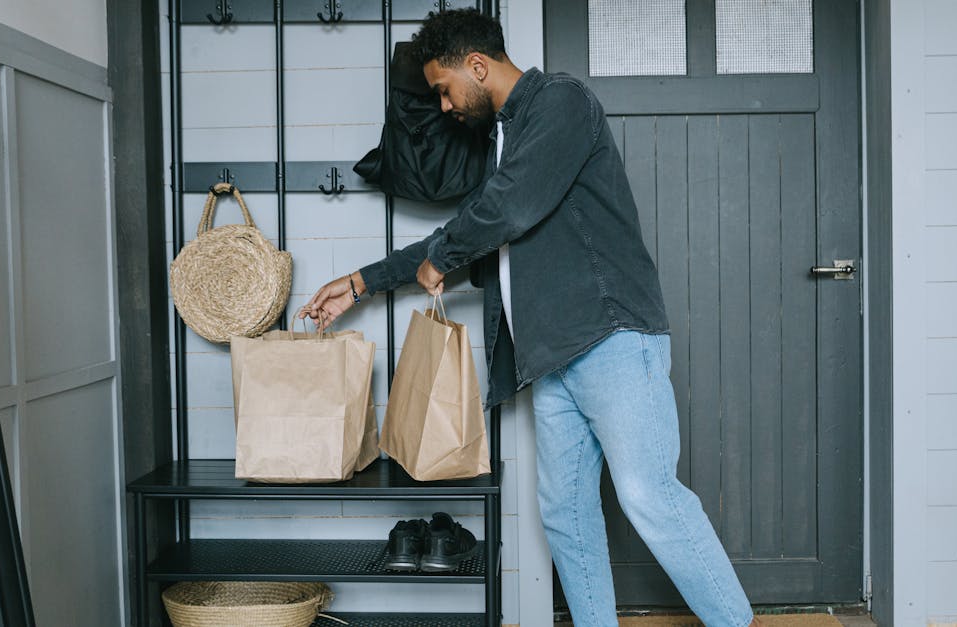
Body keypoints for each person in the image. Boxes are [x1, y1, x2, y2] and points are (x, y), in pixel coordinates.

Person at [299, 9, 759, 626]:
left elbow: (506, 209)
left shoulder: (562, 103)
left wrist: (444, 255)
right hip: (552, 359)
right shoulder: (502, 143)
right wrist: (361, 282)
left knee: (650, 496)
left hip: (612, 339)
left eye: (444, 90)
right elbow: (470, 225)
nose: (444, 106)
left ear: (477, 66)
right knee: (566, 515)